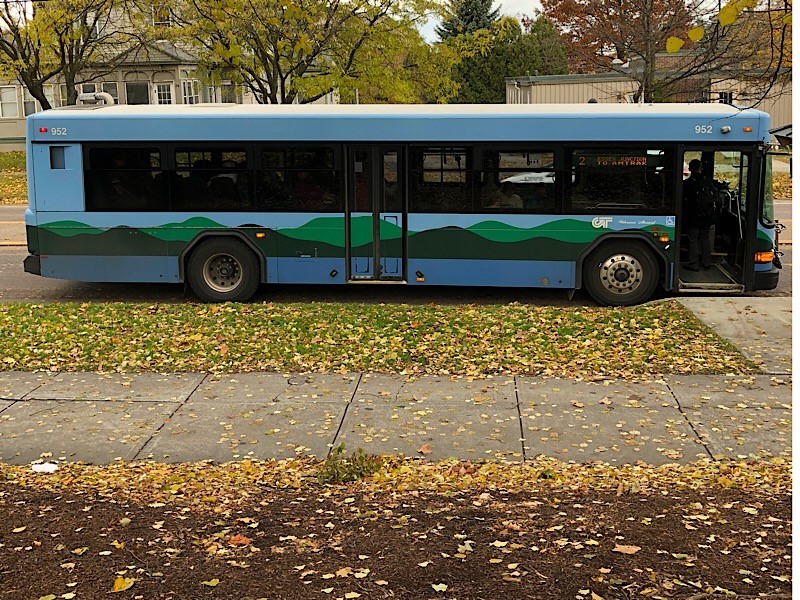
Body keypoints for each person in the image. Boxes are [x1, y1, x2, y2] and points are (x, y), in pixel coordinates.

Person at [682, 159, 713, 271]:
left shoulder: (687, 183)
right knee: (705, 238)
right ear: (701, 169)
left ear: (690, 169)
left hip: (693, 216)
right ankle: (707, 263)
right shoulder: (707, 182)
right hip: (706, 216)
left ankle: (694, 265)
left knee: (693, 240)